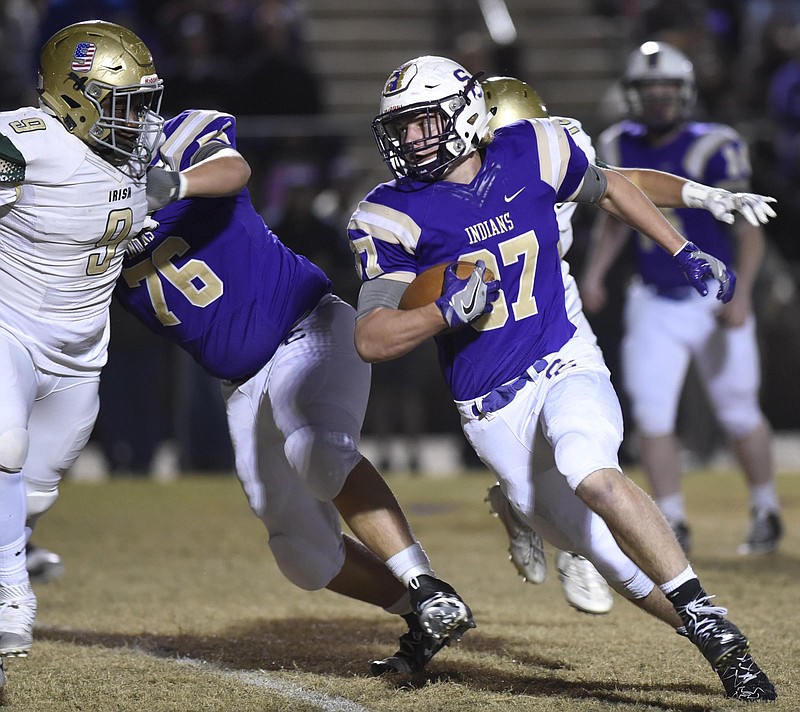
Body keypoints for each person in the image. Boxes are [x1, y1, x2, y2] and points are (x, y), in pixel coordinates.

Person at [348, 55, 776, 701]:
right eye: (401, 129)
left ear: (465, 112)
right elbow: (370, 338)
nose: (410, 141)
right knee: (604, 555)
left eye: (423, 123)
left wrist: (682, 246)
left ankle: (721, 641)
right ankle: (708, 625)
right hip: (491, 409)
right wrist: (440, 311)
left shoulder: (536, 147)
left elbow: (615, 186)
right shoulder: (389, 215)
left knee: (590, 468)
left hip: (562, 357)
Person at [114, 107, 474, 676]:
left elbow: (234, 168)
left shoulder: (177, 143)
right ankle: (424, 612)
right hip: (241, 385)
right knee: (302, 556)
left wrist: (173, 184)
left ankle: (424, 582)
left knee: (317, 448)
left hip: (308, 328)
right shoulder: (81, 210)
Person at [480, 76, 778, 615]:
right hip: (482, 327)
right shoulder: (448, 179)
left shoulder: (554, 147)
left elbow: (618, 184)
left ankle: (582, 540)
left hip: (552, 304)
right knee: (527, 481)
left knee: (586, 443)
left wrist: (703, 198)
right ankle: (520, 508)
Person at [0, 20, 165, 685]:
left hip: (81, 349)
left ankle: (11, 560)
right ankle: (12, 597)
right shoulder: (25, 140)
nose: (141, 122)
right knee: (4, 448)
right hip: (10, 325)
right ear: (75, 97)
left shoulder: (127, 156)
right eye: (127, 104)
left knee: (33, 495)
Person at [581, 41, 784, 556]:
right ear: (632, 95)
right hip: (653, 297)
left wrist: (743, 294)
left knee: (738, 412)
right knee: (652, 416)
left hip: (715, 297)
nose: (658, 101)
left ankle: (765, 509)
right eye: (649, 91)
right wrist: (596, 272)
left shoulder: (716, 143)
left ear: (686, 93)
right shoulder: (618, 142)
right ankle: (672, 520)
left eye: (667, 90)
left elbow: (748, 228)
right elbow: (617, 219)